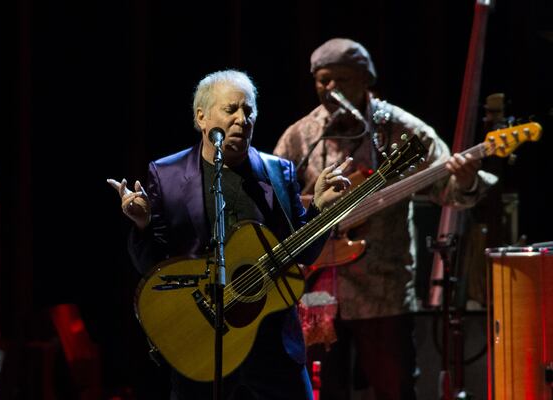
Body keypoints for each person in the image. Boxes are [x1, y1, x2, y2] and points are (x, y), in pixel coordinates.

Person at [108, 69, 353, 400]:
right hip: (202, 340)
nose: (242, 119)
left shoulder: (278, 172)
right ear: (202, 117)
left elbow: (302, 254)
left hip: (272, 342)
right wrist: (143, 224)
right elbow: (151, 266)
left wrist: (321, 211)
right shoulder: (166, 175)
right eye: (231, 110)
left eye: (248, 110)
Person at [273, 38, 497, 400]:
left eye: (341, 80)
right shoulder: (301, 135)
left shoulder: (399, 128)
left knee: (394, 388)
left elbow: (447, 188)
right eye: (322, 80)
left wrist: (466, 177)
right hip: (316, 293)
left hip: (383, 291)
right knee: (320, 390)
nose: (330, 89)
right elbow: (276, 203)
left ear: (365, 80)